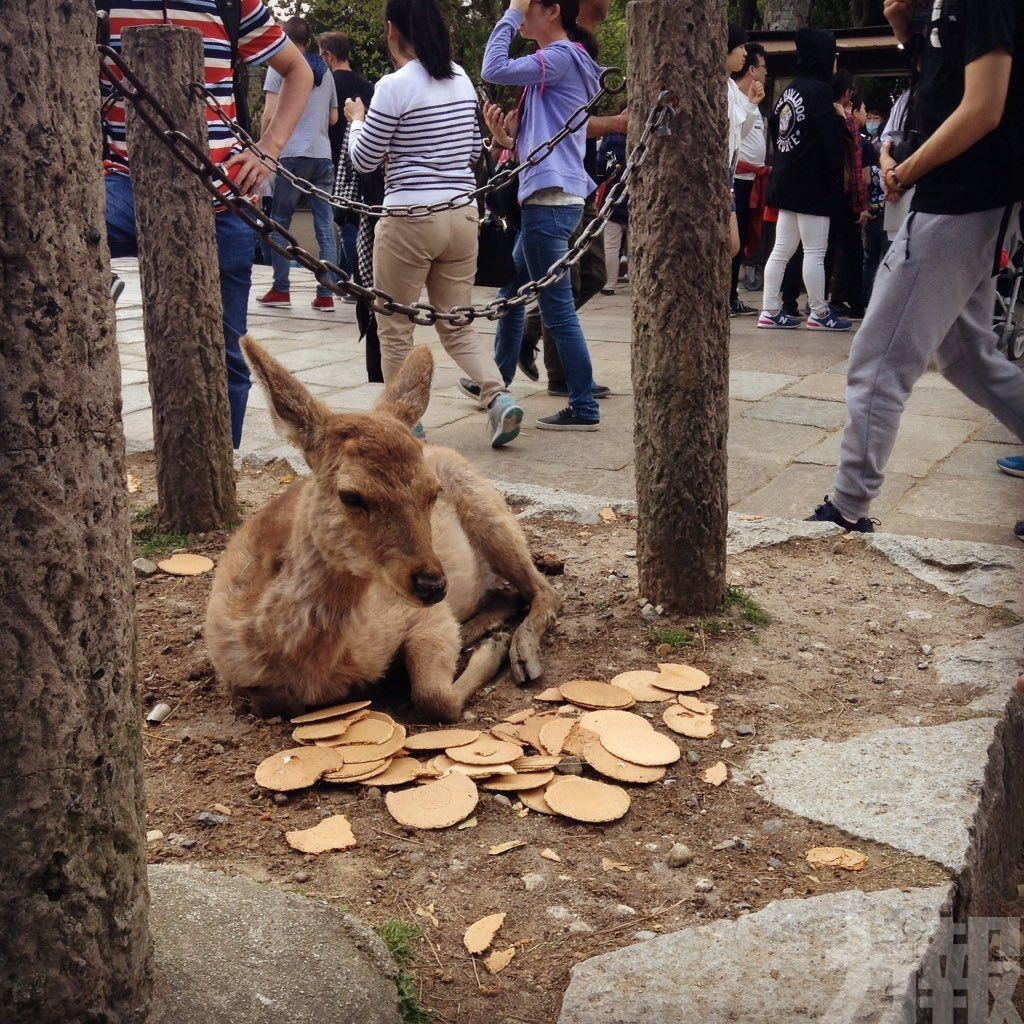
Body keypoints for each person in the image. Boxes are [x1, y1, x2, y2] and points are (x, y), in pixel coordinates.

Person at [807, 0, 1024, 539]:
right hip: (960, 196)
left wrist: (908, 168)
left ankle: (847, 508)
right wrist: (905, 27)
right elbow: (943, 88)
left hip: (965, 196)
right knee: (966, 356)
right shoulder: (936, 7)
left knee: (879, 357)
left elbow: (984, 107)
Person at [101, 0, 313, 450]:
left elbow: (299, 71)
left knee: (229, 356)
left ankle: (222, 467)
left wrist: (269, 147)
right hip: (122, 181)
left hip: (219, 193)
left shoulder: (231, 3)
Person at [346, 0, 524, 448]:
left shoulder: (392, 86)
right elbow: (469, 152)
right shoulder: (461, 77)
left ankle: (407, 426)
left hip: (409, 217)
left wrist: (356, 122)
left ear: (392, 30)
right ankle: (498, 398)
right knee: (458, 323)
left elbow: (365, 158)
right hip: (461, 215)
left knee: (395, 326)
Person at [482, 0, 604, 432]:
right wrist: (505, 138)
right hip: (555, 198)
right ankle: (494, 383)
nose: (521, 13)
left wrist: (510, 14)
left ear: (552, 11)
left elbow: (492, 67)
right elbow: (541, 138)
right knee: (512, 287)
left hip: (549, 204)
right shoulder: (564, 63)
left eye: (528, 5)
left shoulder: (559, 57)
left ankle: (584, 404)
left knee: (557, 310)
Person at [515, 0, 623, 394]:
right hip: (553, 183)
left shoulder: (578, 46)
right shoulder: (559, 47)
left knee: (589, 275)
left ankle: (525, 340)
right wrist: (616, 123)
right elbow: (567, 122)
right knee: (560, 287)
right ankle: (562, 381)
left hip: (578, 180)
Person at [757, 28, 849, 332]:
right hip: (812, 185)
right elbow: (830, 142)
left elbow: (776, 131)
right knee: (815, 251)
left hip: (786, 181)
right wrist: (840, 120)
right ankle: (820, 312)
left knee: (781, 250)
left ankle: (770, 309)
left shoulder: (789, 90)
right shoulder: (820, 92)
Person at [258, 17, 340, 313]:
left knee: (280, 222)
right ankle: (326, 294)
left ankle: (281, 289)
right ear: (309, 40)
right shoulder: (326, 72)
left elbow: (269, 115)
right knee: (324, 227)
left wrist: (263, 149)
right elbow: (333, 119)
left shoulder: (278, 66)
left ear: (284, 37)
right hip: (322, 156)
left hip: (291, 154)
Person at [320, 31, 374, 276]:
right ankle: (345, 273)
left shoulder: (327, 85)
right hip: (364, 156)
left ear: (329, 56)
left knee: (344, 222)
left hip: (335, 159)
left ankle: (354, 278)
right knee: (356, 218)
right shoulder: (368, 87)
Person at [731, 42, 769, 316]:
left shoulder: (747, 99)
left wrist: (754, 105)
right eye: (764, 66)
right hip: (737, 179)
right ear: (753, 69)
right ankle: (727, 295)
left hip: (750, 180)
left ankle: (732, 295)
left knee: (742, 239)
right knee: (733, 242)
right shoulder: (731, 93)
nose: (766, 72)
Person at [827, 74, 869, 319]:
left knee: (824, 249)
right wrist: (861, 204)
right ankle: (855, 303)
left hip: (824, 195)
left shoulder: (821, 115)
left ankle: (819, 301)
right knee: (853, 252)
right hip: (846, 197)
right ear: (848, 94)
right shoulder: (849, 123)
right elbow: (856, 168)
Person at [727, 26, 762, 265]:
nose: (743, 53)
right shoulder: (720, 88)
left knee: (732, 245)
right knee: (730, 244)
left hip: (728, 176)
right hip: (723, 175)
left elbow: (740, 132)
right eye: (740, 48)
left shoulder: (730, 87)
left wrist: (751, 105)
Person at [861, 105, 890, 306]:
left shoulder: (872, 148)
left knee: (871, 259)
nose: (871, 121)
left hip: (874, 210)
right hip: (882, 211)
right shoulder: (883, 150)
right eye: (868, 117)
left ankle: (867, 301)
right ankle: (876, 301)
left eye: (875, 118)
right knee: (880, 259)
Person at [596, 131, 628, 295]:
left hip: (614, 195)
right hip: (637, 194)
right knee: (636, 245)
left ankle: (609, 284)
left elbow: (600, 165)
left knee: (611, 244)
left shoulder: (611, 137)